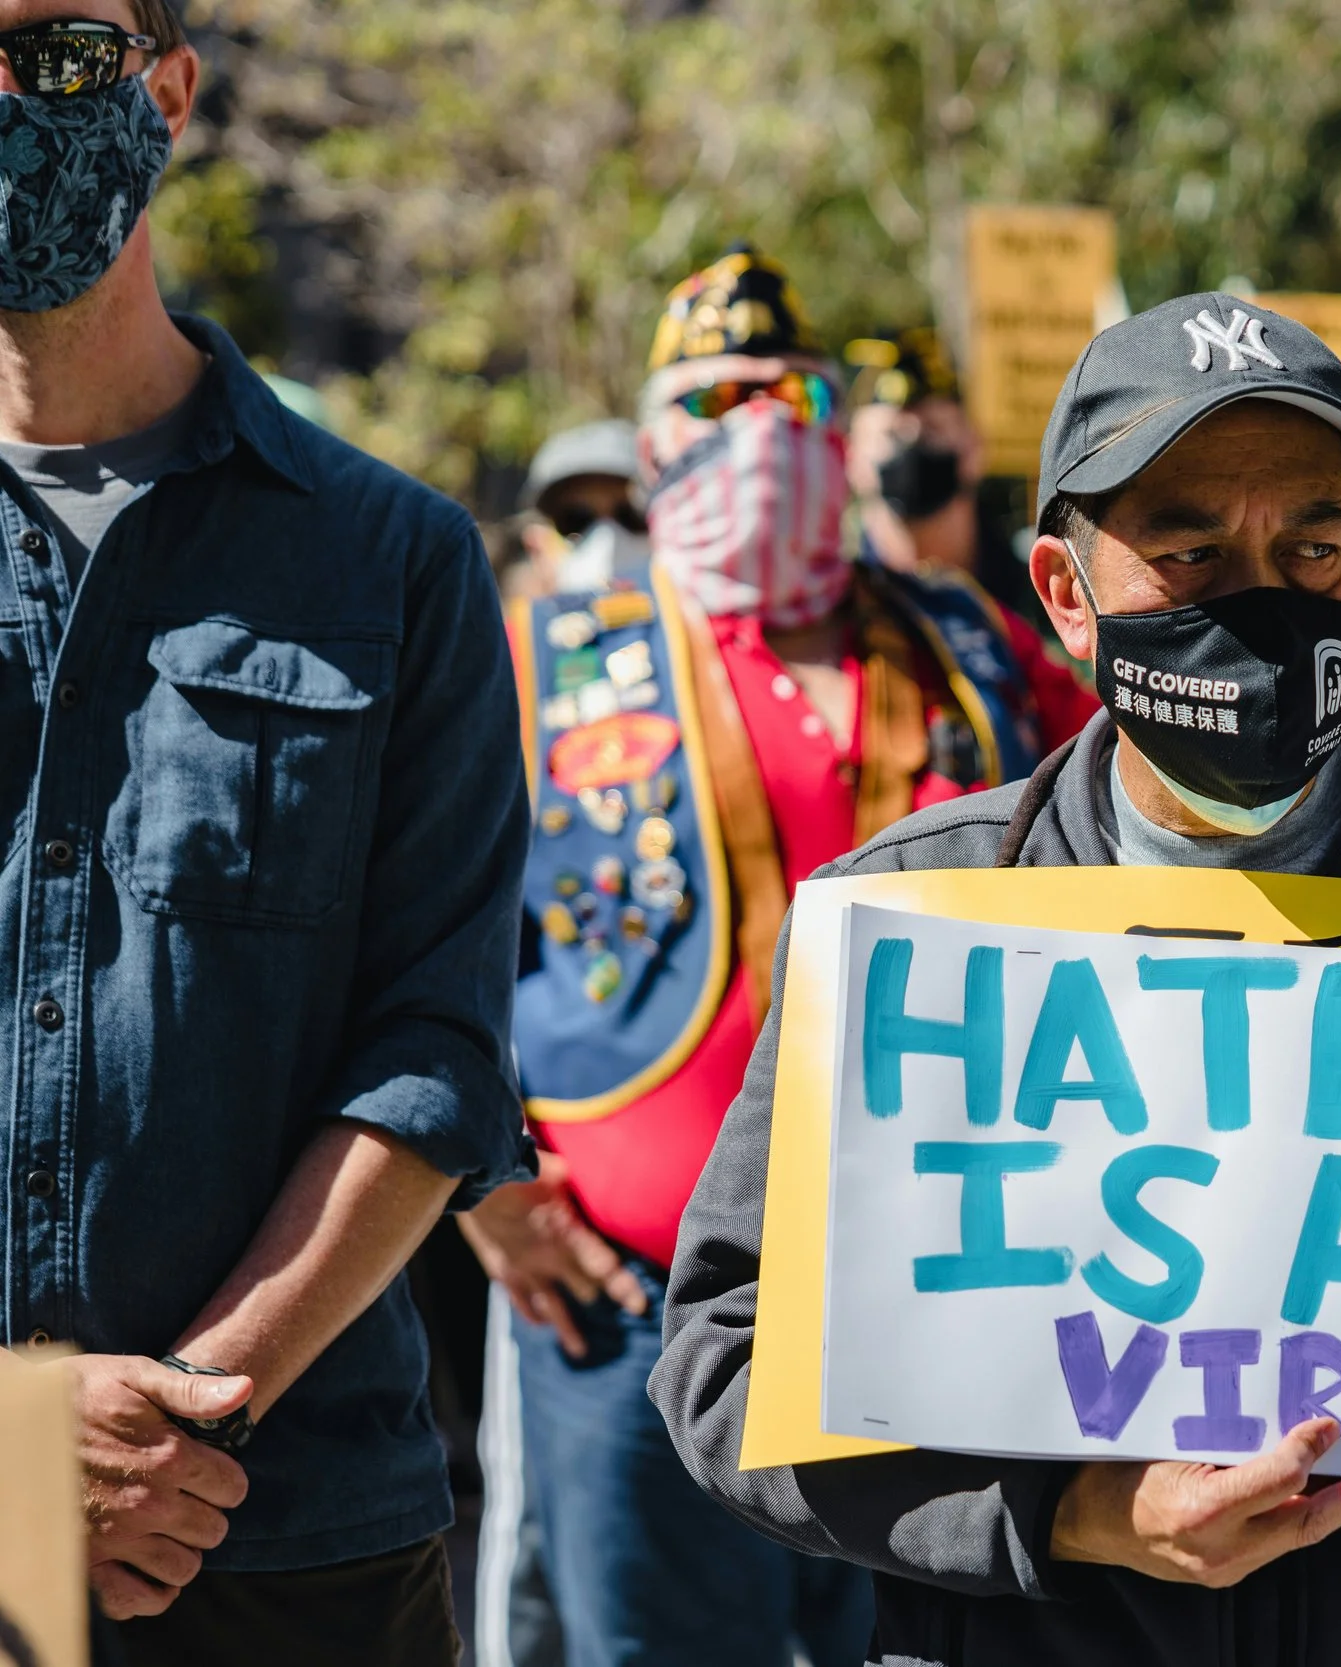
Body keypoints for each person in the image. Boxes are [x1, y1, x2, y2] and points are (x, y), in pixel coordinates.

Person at [653, 293, 1341, 1667]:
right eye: (1188, 552)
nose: (1262, 594)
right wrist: (1079, 1512)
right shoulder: (912, 914)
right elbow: (724, 1363)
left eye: (1312, 544)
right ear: (1067, 593)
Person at [460, 245, 1095, 1667]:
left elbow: (1120, 811)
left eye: (785, 388)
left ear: (832, 414)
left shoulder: (963, 637)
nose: (753, 424)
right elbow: (417, 923)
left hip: (944, 1294)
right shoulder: (548, 650)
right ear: (650, 445)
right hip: (633, 1299)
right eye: (712, 397)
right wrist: (481, 1178)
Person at [0, 2, 533, 1661]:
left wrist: (176, 1424)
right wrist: (20, 1462)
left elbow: (434, 1057)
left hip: (283, 1534)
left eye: (57, 49)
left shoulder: (395, 562)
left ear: (168, 90)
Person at [843, 326, 1041, 626]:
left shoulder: (1045, 602)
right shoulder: (832, 609)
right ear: (851, 457)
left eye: (932, 430)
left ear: (974, 449)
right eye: (892, 435)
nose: (912, 445)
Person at [513, 419, 646, 597]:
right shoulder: (512, 625)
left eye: (630, 515)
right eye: (576, 521)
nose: (609, 541)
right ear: (536, 547)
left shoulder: (688, 621)